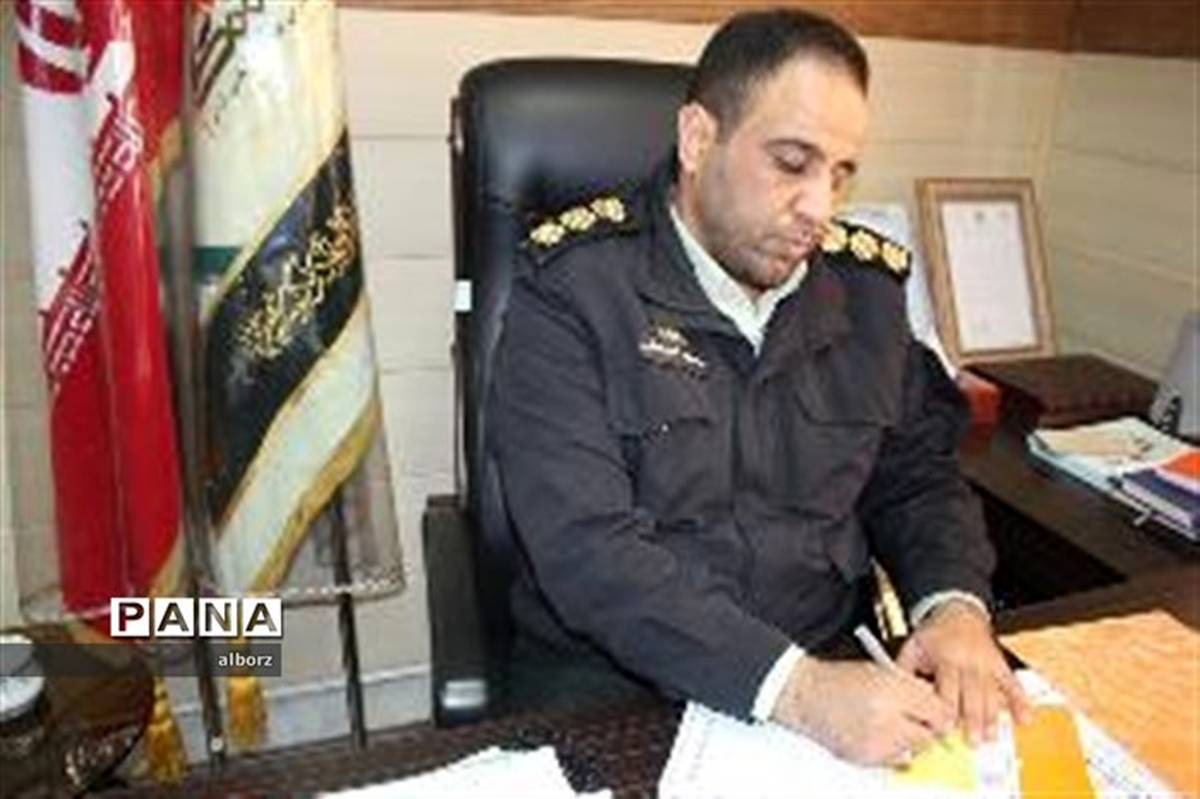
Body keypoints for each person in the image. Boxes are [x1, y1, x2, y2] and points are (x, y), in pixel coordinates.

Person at [490, 7, 1029, 765]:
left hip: (828, 666)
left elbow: (917, 478)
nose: (820, 209)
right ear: (696, 139)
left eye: (840, 174)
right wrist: (797, 691)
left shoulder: (863, 293)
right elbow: (588, 550)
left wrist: (955, 606)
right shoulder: (574, 292)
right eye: (792, 162)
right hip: (615, 685)